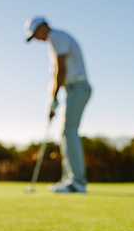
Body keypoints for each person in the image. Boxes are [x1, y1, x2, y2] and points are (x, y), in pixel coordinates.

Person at [25, 17, 92, 193]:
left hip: (78, 87)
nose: (37, 39)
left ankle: (77, 182)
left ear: (42, 27)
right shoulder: (56, 40)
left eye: (35, 35)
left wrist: (53, 98)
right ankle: (69, 179)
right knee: (66, 133)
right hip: (72, 89)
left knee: (68, 132)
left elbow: (60, 70)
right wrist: (53, 100)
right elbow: (57, 72)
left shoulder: (56, 37)